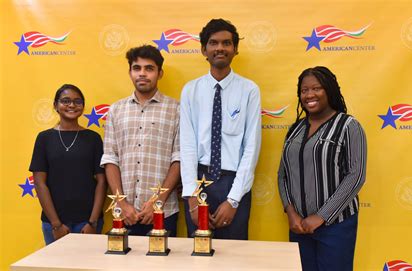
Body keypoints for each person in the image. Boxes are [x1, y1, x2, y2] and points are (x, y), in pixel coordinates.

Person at [277, 66, 367, 271]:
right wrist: (291, 212)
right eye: (304, 90)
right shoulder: (295, 129)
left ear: (329, 90)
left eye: (316, 88)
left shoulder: (348, 126)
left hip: (336, 226)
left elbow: (356, 176)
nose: (309, 95)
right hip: (299, 226)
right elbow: (283, 174)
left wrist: (321, 217)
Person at [180, 18, 261, 240]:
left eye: (226, 43)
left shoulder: (249, 90)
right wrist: (192, 196)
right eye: (213, 43)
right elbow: (187, 146)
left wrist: (233, 199)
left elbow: (251, 148)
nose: (220, 48)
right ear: (203, 50)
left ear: (235, 49)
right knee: (198, 255)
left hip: (234, 183)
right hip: (199, 181)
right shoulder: (190, 90)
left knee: (234, 258)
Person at [100, 45, 180, 236]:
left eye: (149, 68)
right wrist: (121, 202)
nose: (142, 74)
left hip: (164, 212)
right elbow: (111, 159)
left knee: (162, 265)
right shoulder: (116, 110)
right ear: (130, 72)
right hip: (124, 213)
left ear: (160, 73)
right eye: (137, 68)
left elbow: (179, 159)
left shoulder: (176, 109)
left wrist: (157, 202)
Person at [30, 84, 106, 245]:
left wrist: (92, 222)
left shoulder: (93, 138)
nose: (72, 105)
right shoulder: (44, 138)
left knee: (89, 269)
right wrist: (56, 224)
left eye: (77, 101)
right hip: (53, 223)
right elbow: (39, 183)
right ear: (55, 105)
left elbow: (101, 181)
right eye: (66, 101)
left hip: (88, 223)